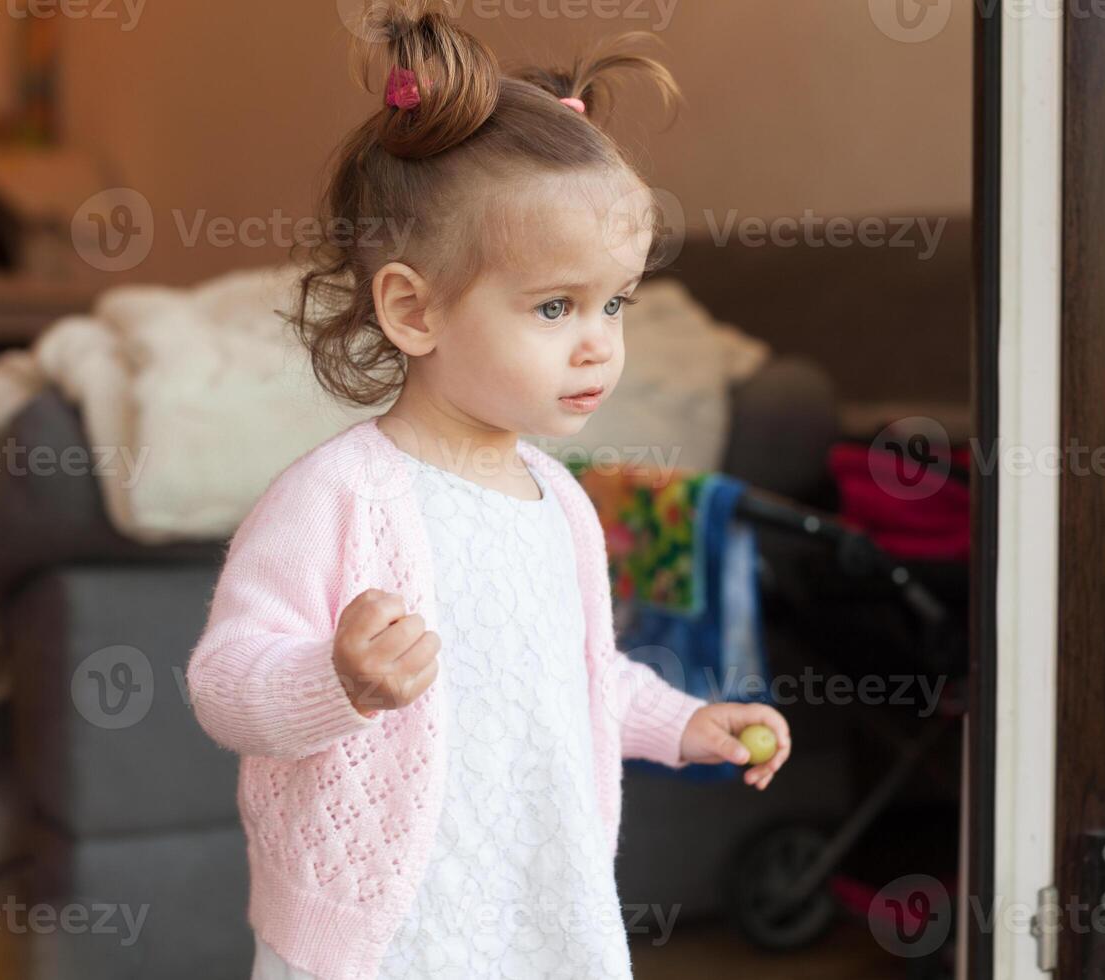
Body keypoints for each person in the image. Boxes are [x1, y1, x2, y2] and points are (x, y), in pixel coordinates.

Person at [184, 4, 792, 978]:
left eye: (614, 302)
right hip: (384, 931)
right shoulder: (339, 495)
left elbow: (574, 682)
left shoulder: (559, 502)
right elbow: (224, 684)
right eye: (554, 305)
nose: (598, 340)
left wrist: (679, 721)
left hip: (539, 900)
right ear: (412, 309)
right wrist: (333, 680)